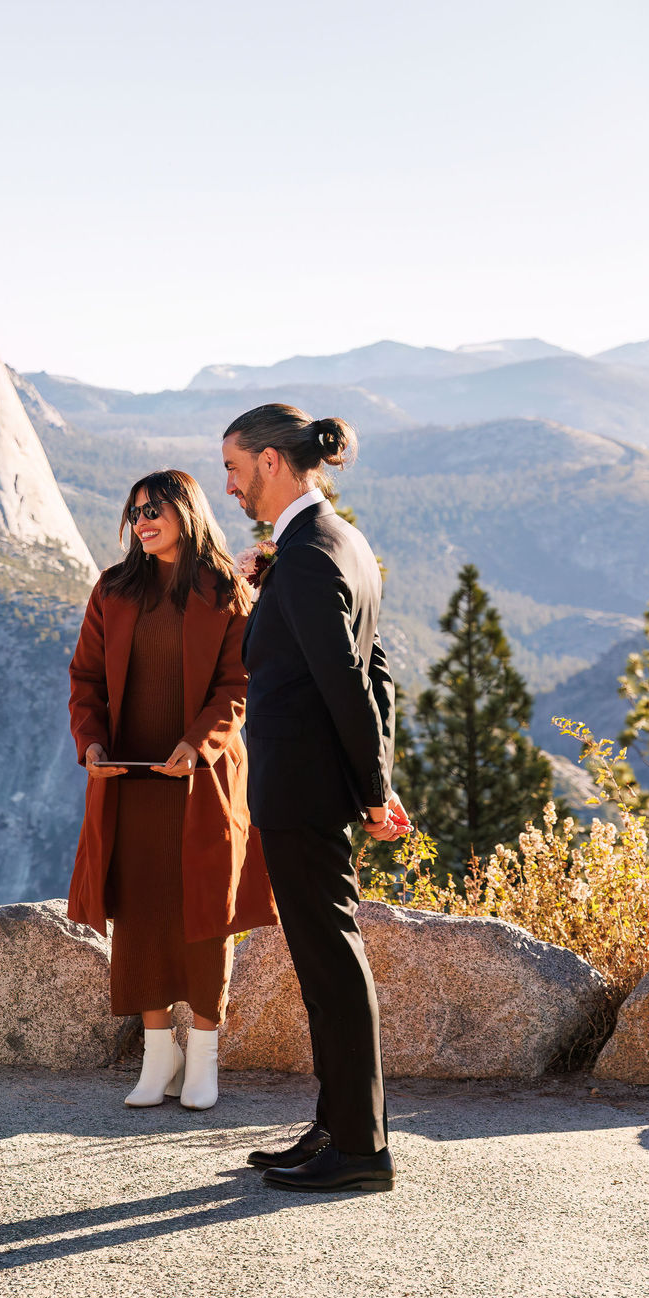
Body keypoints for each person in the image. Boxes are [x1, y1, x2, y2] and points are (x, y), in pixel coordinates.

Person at [221, 405, 410, 1193]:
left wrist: (372, 793)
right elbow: (380, 669)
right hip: (317, 785)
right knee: (325, 958)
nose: (228, 487)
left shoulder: (304, 555)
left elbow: (344, 683)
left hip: (301, 789)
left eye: (233, 468)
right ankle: (337, 1123)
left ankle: (361, 1148)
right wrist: (377, 778)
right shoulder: (337, 541)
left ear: (271, 461)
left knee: (331, 960)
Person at [66, 470, 275, 1111]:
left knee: (205, 911)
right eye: (134, 512)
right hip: (129, 776)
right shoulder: (115, 588)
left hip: (203, 776)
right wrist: (92, 743)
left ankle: (205, 1055)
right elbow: (87, 678)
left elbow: (240, 684)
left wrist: (199, 743)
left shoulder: (225, 590)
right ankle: (160, 1055)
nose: (142, 520)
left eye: (154, 508)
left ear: (187, 509)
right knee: (136, 909)